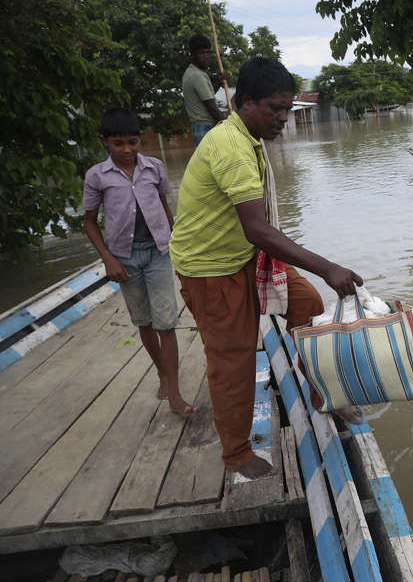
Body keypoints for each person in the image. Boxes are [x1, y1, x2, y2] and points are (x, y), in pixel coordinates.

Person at [169, 57, 364, 479]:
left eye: (287, 109)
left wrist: (319, 272)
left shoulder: (247, 138)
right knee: (234, 361)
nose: (282, 118)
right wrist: (327, 266)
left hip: (242, 253)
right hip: (210, 268)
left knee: (308, 304)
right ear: (246, 102)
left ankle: (318, 391)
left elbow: (255, 232)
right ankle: (236, 453)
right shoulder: (232, 148)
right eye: (274, 108)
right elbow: (258, 230)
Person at [83, 108, 195, 417]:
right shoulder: (97, 176)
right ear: (104, 142)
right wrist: (107, 258)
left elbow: (162, 206)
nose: (127, 150)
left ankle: (174, 392)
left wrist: (177, 240)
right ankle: (161, 371)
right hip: (124, 258)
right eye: (118, 144)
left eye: (133, 142)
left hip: (158, 252)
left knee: (167, 323)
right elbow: (90, 222)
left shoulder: (154, 168)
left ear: (140, 139)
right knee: (144, 322)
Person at [182, 34, 226, 147]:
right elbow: (213, 109)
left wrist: (218, 83)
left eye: (208, 52)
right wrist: (231, 125)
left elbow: (206, 98)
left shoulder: (193, 72)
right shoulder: (197, 76)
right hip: (205, 128)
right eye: (202, 53)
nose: (206, 56)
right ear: (192, 55)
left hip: (200, 127)